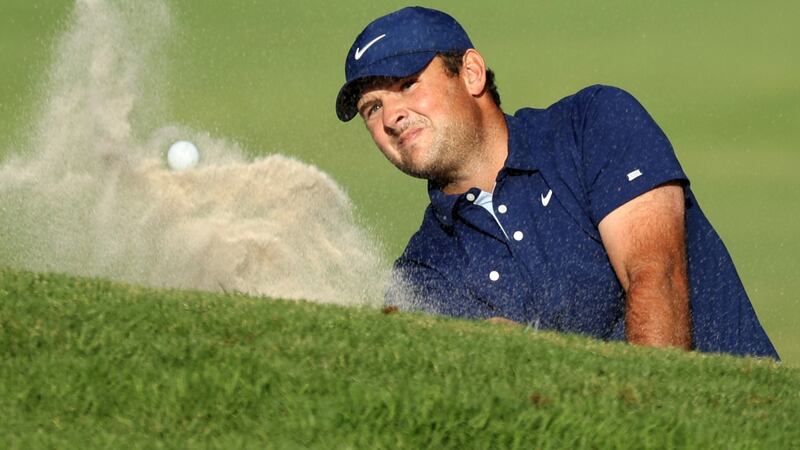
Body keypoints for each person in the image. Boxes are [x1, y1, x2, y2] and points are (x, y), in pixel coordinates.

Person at [335, 7, 778, 359]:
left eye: (409, 84)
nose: (391, 117)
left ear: (471, 73)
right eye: (372, 108)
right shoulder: (423, 271)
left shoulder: (593, 124)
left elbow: (654, 277)